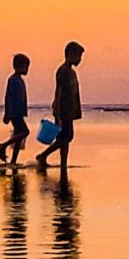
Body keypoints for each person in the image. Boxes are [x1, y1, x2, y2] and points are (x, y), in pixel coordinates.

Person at [31, 41, 84, 171]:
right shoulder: (63, 71)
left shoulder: (72, 72)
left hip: (69, 110)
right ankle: (42, 156)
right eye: (78, 56)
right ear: (70, 54)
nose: (79, 59)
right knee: (65, 137)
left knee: (66, 137)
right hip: (63, 109)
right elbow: (59, 91)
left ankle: (63, 164)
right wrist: (58, 111)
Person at [0, 53, 32, 166]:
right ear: (19, 66)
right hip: (15, 113)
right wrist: (7, 113)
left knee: (19, 136)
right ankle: (2, 146)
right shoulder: (13, 80)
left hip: (19, 112)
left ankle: (13, 161)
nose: (27, 69)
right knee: (25, 132)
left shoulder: (20, 80)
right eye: (26, 66)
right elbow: (8, 97)